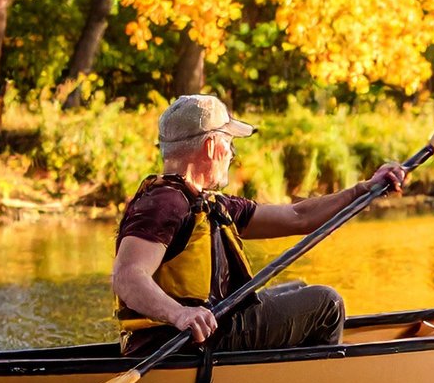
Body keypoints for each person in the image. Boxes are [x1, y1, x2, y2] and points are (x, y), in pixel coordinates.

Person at [111, 94, 407, 355]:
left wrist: (364, 190)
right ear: (212, 146)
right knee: (326, 304)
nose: (232, 153)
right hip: (184, 342)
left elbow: (298, 217)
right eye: (229, 143)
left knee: (298, 289)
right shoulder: (165, 204)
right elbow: (127, 277)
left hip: (208, 328)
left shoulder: (208, 204)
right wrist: (180, 314)